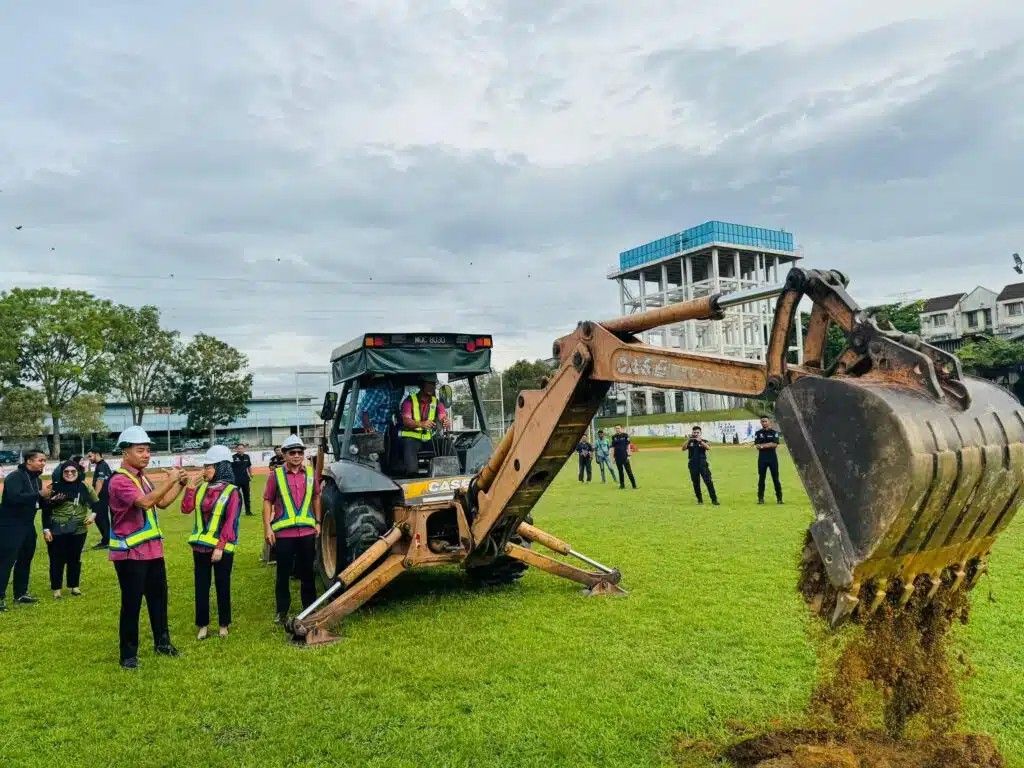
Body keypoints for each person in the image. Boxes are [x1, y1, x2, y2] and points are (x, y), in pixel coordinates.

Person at [107, 426, 186, 669]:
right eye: (140, 450)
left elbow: (161, 503)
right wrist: (170, 479)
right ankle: (128, 655)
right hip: (130, 554)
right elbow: (145, 502)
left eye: (148, 450)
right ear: (125, 452)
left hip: (152, 551)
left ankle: (162, 642)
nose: (146, 455)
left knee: (159, 599)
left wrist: (179, 485)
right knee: (131, 604)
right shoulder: (120, 480)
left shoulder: (141, 477)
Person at [182, 445, 241, 640]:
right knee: (201, 586)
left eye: (209, 466)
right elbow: (186, 509)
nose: (204, 470)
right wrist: (190, 488)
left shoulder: (232, 492)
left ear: (221, 467)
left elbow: (230, 521)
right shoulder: (201, 489)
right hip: (200, 548)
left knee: (222, 585)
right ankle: (203, 625)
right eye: (205, 466)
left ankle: (224, 624)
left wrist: (220, 547)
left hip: (221, 550)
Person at [263, 434, 321, 623]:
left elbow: (316, 497)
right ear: (285, 455)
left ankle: (310, 609)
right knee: (283, 575)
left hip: (306, 533)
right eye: (292, 452)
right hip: (284, 534)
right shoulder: (276, 475)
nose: (297, 455)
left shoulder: (311, 474)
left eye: (300, 452)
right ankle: (282, 612)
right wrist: (267, 529)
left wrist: (318, 521)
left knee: (308, 574)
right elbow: (267, 501)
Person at [0, 449, 53, 610]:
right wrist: (39, 494)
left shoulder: (36, 479)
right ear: (29, 461)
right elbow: (15, 498)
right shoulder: (15, 477)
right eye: (40, 460)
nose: (43, 463)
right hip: (10, 525)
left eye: (44, 460)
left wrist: (51, 499)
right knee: (6, 562)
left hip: (27, 525)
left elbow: (38, 502)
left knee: (25, 559)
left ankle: (20, 593)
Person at [42, 460, 98, 599]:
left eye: (73, 471)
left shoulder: (84, 487)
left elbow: (96, 504)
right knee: (56, 559)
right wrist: (46, 529)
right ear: (61, 473)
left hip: (78, 529)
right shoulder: (54, 487)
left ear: (78, 472)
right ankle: (56, 590)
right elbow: (46, 510)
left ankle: (74, 587)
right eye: (66, 471)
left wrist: (92, 516)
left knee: (74, 558)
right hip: (57, 529)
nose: (70, 474)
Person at [398, 375, 450, 475]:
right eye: (429, 384)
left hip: (429, 440)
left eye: (433, 384)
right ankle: (412, 475)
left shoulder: (437, 402)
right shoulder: (409, 401)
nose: (432, 387)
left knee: (446, 443)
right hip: (412, 440)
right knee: (408, 444)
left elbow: (442, 415)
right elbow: (406, 420)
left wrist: (445, 421)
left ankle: (456, 473)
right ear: (422, 385)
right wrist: (421, 424)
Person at [684, 426, 719, 505]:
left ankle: (714, 500)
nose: (696, 434)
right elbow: (683, 448)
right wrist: (688, 440)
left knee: (708, 481)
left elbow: (708, 448)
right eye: (694, 432)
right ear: (692, 433)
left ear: (700, 433)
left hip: (702, 464)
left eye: (697, 432)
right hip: (693, 464)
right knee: (696, 482)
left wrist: (700, 441)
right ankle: (699, 500)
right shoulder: (690, 442)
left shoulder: (704, 441)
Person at [754, 416, 784, 505]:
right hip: (762, 459)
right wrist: (768, 444)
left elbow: (774, 444)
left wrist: (763, 445)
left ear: (769, 422)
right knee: (761, 479)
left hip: (772, 459)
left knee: (775, 479)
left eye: (765, 421)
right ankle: (760, 498)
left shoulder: (774, 433)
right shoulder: (758, 433)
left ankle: (779, 498)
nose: (764, 423)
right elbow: (757, 446)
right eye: (762, 421)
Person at [88, 449, 113, 549]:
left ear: (97, 454)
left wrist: (95, 497)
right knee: (102, 518)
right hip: (104, 496)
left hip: (101, 497)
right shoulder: (102, 465)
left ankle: (107, 541)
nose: (89, 459)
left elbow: (100, 481)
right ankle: (107, 540)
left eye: (90, 456)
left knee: (100, 518)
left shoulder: (101, 465)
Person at [611, 425, 637, 489]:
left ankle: (634, 485)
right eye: (616, 428)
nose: (617, 429)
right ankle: (622, 486)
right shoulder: (614, 437)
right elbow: (613, 448)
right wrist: (613, 458)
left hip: (625, 456)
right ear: (615, 429)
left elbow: (628, 445)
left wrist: (629, 455)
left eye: (618, 428)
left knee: (629, 471)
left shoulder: (625, 435)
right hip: (617, 457)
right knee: (620, 471)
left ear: (621, 429)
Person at [231, 443, 253, 516]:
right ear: (236, 449)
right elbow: (229, 468)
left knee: (247, 496)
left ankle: (248, 511)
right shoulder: (232, 457)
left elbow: (249, 466)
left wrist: (251, 474)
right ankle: (235, 512)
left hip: (245, 479)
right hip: (236, 480)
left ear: (244, 449)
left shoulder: (247, 456)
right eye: (239, 448)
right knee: (235, 497)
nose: (240, 450)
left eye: (242, 448)